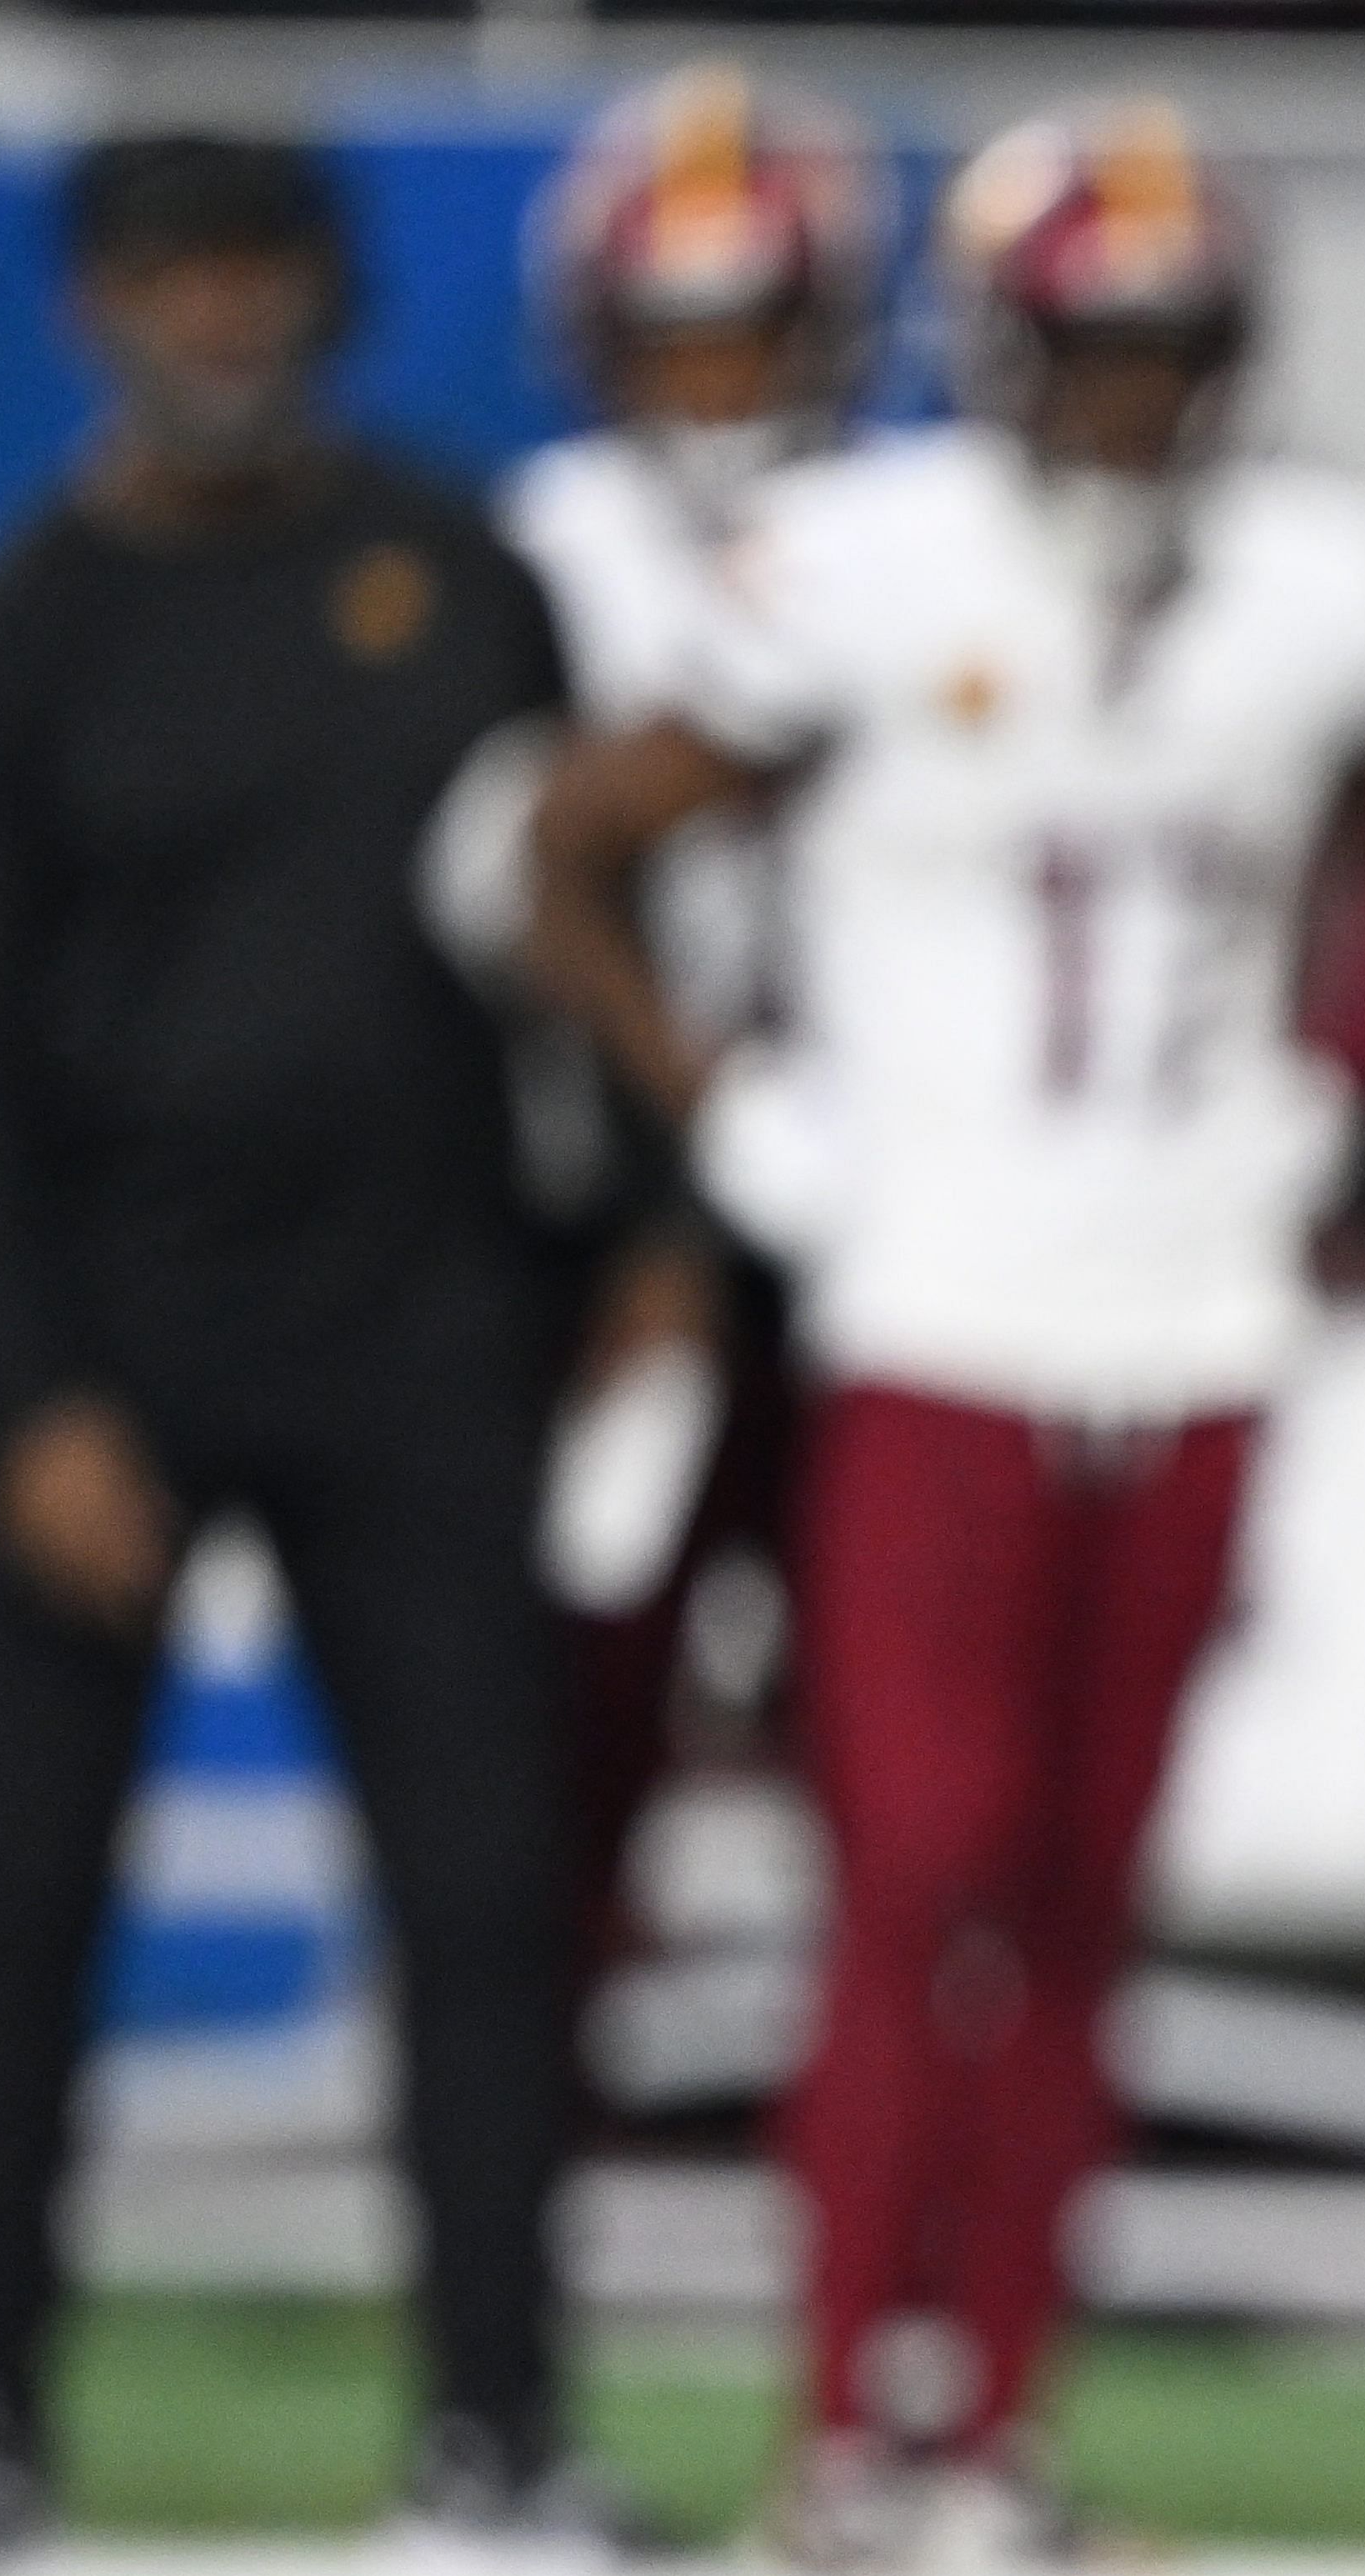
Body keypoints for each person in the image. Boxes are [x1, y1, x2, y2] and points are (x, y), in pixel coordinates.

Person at [531, 104, 1365, 2568]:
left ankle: (999, 2423)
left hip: (1198, 1307)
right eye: (1092, 352)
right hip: (935, 1301)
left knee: (1075, 1889)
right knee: (914, 1865)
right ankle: (848, 2420)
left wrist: (1331, 1078)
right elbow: (574, 839)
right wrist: (725, 1100)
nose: (1132, 403)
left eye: (1169, 355)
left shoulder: (1316, 583)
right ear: (998, 353)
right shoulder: (857, 559)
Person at [0, 134, 596, 2564]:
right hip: (127, 1334)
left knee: (491, 1888)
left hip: (424, 1324)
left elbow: (582, 956)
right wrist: (35, 1393)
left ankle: (495, 2416)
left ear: (327, 291)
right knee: (24, 1899)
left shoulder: (459, 579)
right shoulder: (12, 640)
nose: (219, 313)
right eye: (173, 272)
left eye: (257, 268)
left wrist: (626, 1284)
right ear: (96, 304)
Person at [499, 67, 888, 1995]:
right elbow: (503, 883)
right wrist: (672, 1149)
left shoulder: (917, 538)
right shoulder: (542, 549)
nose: (722, 387)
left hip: (875, 1202)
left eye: (758, 338)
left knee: (891, 1734)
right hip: (599, 1205)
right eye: (680, 342)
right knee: (567, 1721)